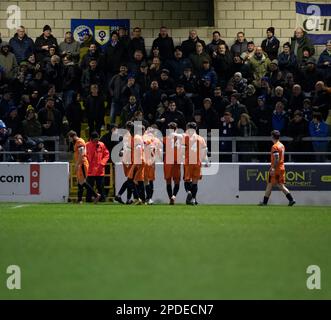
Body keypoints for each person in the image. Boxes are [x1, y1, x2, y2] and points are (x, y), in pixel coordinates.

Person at [259, 130, 296, 206]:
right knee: (272, 184)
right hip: (281, 167)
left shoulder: (275, 146)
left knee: (277, 185)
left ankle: (291, 199)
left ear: (272, 136)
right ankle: (265, 202)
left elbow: (276, 158)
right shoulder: (282, 145)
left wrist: (273, 168)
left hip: (276, 169)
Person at [68, 130, 100, 204]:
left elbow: (81, 153)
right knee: (80, 182)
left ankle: (96, 195)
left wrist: (77, 164)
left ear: (72, 136)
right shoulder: (78, 142)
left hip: (82, 163)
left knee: (82, 182)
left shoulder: (79, 142)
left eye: (69, 138)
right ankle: (80, 200)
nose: (69, 140)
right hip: (81, 163)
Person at [182, 122, 209, 205]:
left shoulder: (186, 138)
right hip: (197, 162)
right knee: (195, 182)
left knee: (187, 180)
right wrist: (206, 161)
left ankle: (189, 192)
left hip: (188, 162)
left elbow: (182, 151)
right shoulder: (200, 138)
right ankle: (193, 199)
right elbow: (205, 151)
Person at [86, 131, 110, 202]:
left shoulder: (101, 145)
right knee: (90, 186)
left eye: (98, 139)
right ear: (91, 139)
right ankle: (88, 199)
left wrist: (102, 163)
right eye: (95, 139)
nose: (97, 141)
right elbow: (84, 155)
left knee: (100, 186)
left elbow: (106, 154)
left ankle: (102, 199)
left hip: (99, 170)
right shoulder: (87, 145)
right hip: (90, 170)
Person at [143, 126, 162, 204]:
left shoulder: (144, 138)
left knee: (145, 181)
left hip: (145, 161)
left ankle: (146, 198)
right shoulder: (157, 140)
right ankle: (149, 198)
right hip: (152, 162)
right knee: (150, 180)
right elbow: (159, 153)